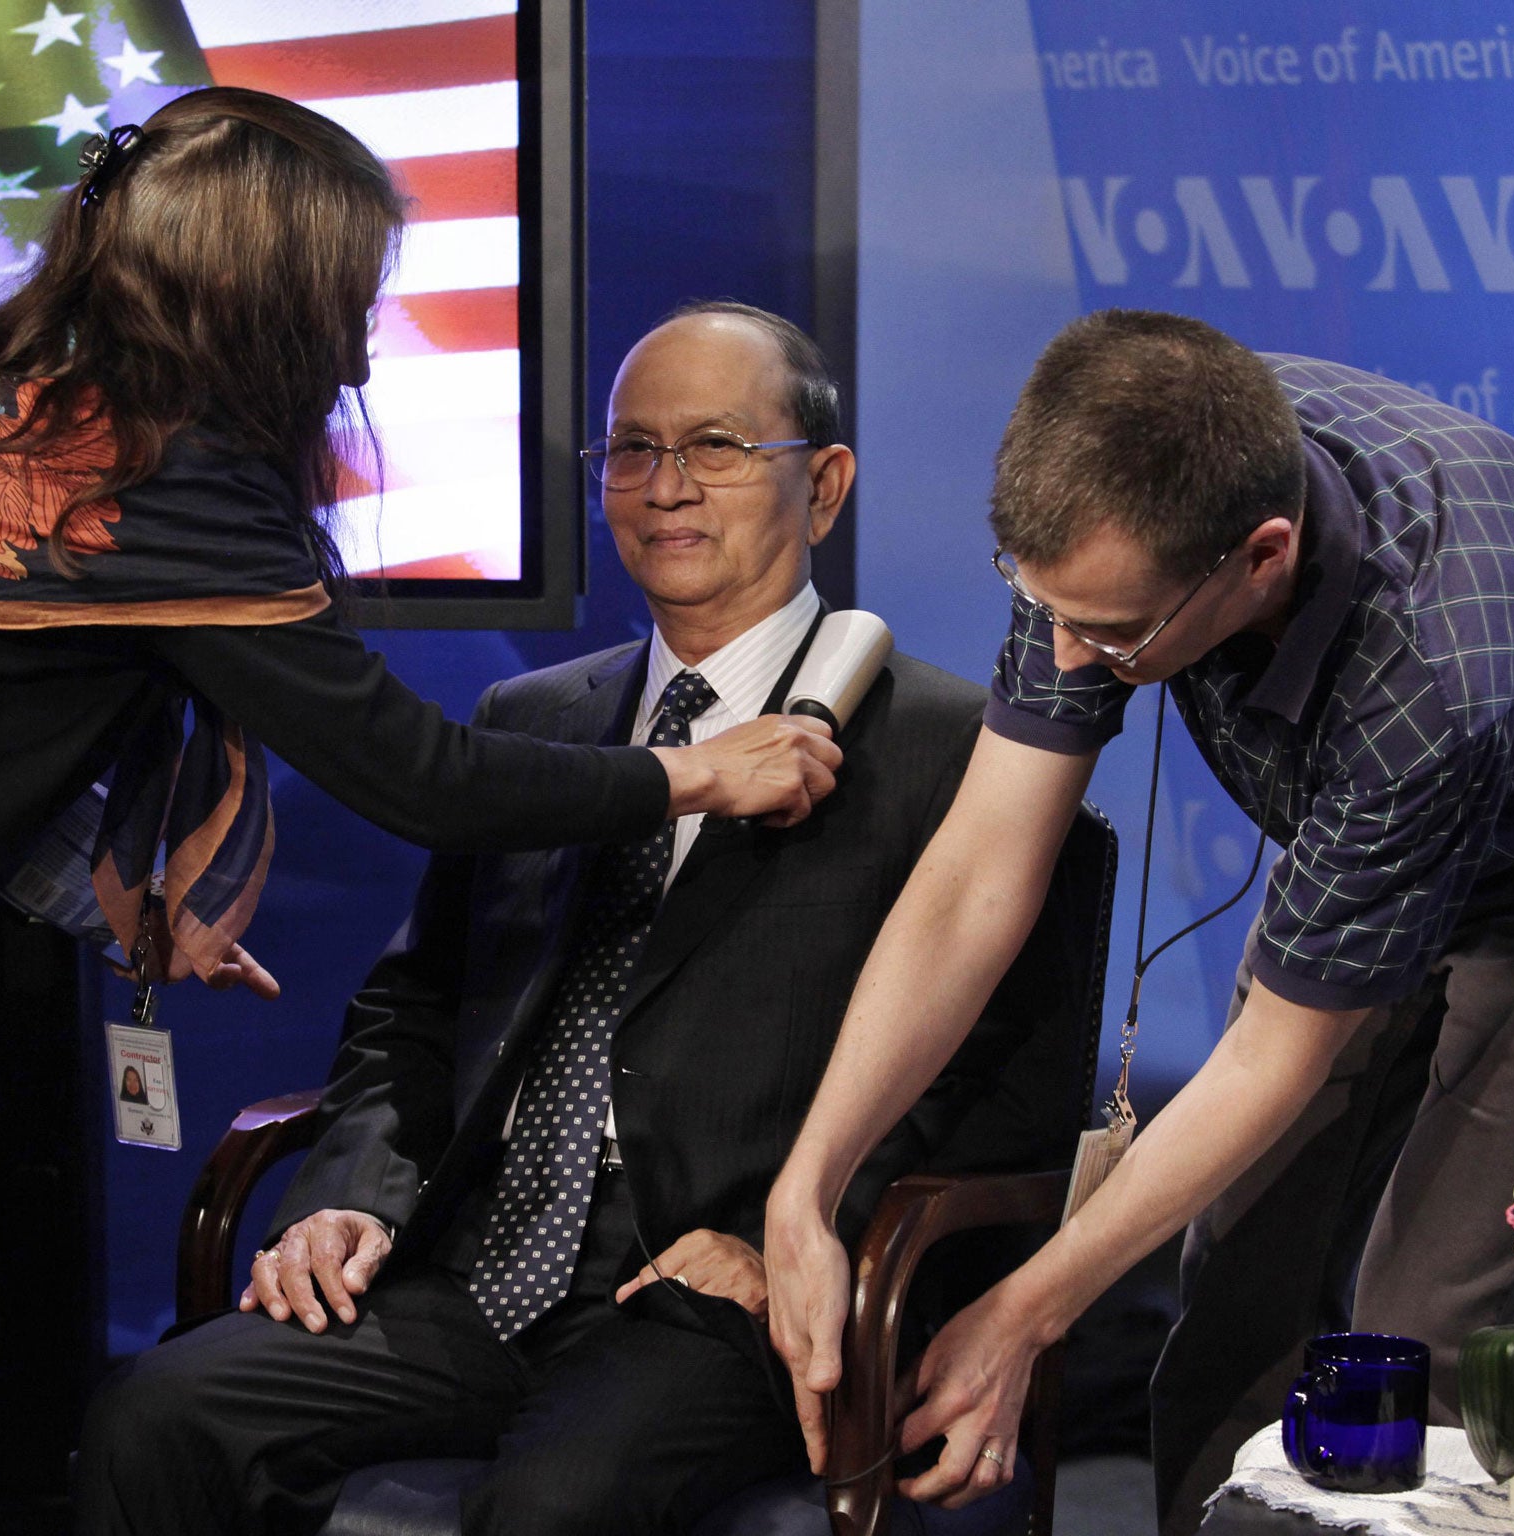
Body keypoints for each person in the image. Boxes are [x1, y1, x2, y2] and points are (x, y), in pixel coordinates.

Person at [0, 91, 839, 1536]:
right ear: (262, 295)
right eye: (346, 302)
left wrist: (102, 894)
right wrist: (698, 770)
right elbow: (422, 780)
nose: (360, 350)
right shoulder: (165, 467)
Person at [74, 302, 1097, 1536]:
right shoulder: (528, 720)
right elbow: (414, 1005)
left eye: (716, 446)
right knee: (159, 1416)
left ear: (821, 488)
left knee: (556, 1507)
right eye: (631, 450)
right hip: (473, 1264)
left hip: (721, 1287)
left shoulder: (954, 757)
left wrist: (793, 1229)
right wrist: (345, 1194)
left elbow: (1003, 1085)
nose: (665, 487)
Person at [762, 309, 1514, 1531]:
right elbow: (976, 877)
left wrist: (1022, 1312)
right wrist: (807, 1185)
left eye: (1111, 636)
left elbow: (1278, 1052)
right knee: (1235, 1304)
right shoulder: (1111, 508)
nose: (1066, 652)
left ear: (1260, 557)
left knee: (1418, 1336)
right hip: (1369, 817)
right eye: (1043, 605)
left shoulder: (1427, 670)